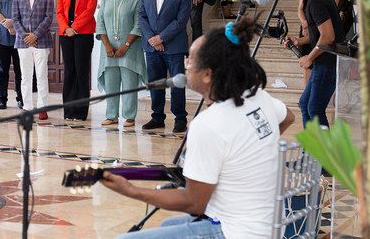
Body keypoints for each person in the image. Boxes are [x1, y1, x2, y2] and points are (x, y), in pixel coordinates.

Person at [101, 18, 295, 239]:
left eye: (191, 60)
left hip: (235, 232)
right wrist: (253, 149)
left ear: (207, 74)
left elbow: (194, 203)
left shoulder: (209, 124)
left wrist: (131, 190)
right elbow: (288, 116)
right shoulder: (259, 97)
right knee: (167, 225)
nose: (185, 64)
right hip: (265, 224)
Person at [282, 0, 344, 127]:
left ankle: (322, 151)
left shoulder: (315, 0)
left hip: (328, 62)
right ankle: (311, 148)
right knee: (305, 104)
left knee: (315, 108)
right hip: (323, 61)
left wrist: (309, 57)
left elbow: (329, 36)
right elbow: (318, 35)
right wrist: (299, 40)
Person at [138, 0, 191, 133]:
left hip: (174, 46)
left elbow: (181, 21)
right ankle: (157, 118)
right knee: (155, 83)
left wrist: (161, 38)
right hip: (152, 47)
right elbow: (142, 17)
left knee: (176, 84)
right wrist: (153, 39)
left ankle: (180, 119)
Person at [96, 0, 146, 127]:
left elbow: (138, 26)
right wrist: (107, 45)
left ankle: (130, 116)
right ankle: (111, 116)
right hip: (108, 50)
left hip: (129, 50)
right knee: (111, 84)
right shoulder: (106, 0)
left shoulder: (135, 0)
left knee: (129, 84)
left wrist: (125, 45)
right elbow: (100, 23)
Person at [56, 0, 97, 121]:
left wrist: (75, 28)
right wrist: (66, 28)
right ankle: (69, 111)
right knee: (69, 71)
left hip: (83, 34)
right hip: (65, 35)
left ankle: (80, 112)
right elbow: (59, 12)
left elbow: (90, 10)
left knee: (81, 71)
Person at [11, 0, 54, 119]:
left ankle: (42, 108)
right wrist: (25, 36)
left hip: (41, 42)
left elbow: (49, 17)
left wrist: (35, 35)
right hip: (23, 43)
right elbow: (15, 19)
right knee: (26, 76)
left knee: (42, 75)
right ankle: (27, 107)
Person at [0, 0, 25, 110]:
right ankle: (2, 99)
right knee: (3, 69)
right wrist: (6, 24)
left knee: (20, 70)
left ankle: (21, 98)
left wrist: (14, 23)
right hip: (2, 35)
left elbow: (26, 12)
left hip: (20, 36)